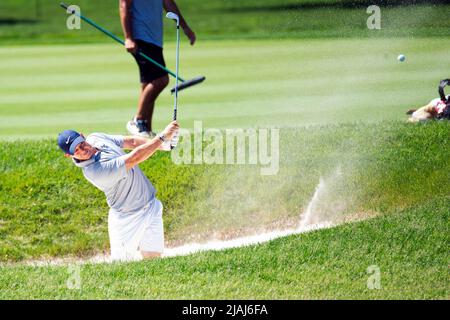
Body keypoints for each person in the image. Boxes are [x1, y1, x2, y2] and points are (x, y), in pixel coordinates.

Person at [57, 120, 179, 261]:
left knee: (154, 259)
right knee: (122, 266)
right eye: (76, 150)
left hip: (151, 206)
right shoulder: (94, 171)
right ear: (69, 155)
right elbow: (133, 158)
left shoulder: (96, 137)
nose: (83, 150)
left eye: (82, 143)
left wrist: (164, 145)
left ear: (82, 135)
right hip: (127, 219)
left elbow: (131, 141)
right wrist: (162, 137)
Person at [119, 0, 196, 137]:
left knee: (148, 84)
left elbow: (168, 3)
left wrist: (185, 27)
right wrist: (128, 38)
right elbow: (124, 5)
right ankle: (138, 120)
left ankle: (146, 131)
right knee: (161, 79)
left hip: (155, 38)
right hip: (140, 36)